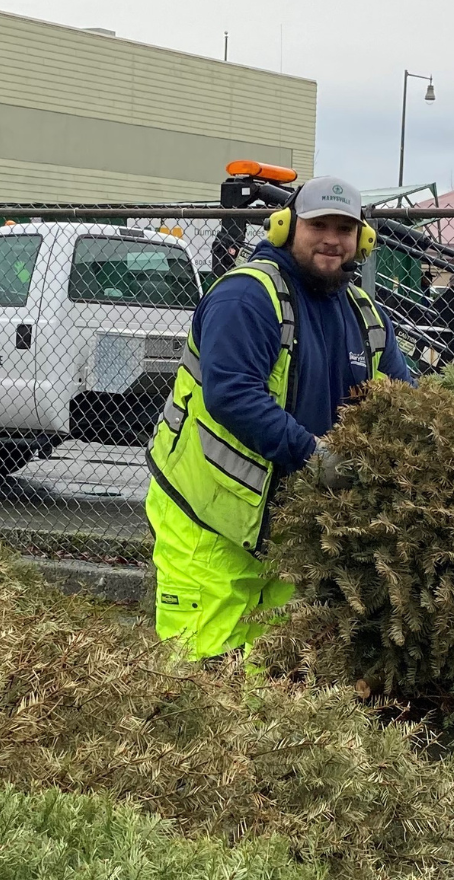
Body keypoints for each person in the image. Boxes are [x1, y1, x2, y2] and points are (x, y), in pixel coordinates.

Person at [145, 176, 416, 661]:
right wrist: (317, 457)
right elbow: (233, 396)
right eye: (318, 225)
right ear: (286, 227)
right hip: (208, 522)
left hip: (288, 535)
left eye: (345, 229)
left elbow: (405, 400)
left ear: (363, 240)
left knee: (270, 681)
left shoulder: (365, 317)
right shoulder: (248, 297)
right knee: (200, 678)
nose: (332, 239)